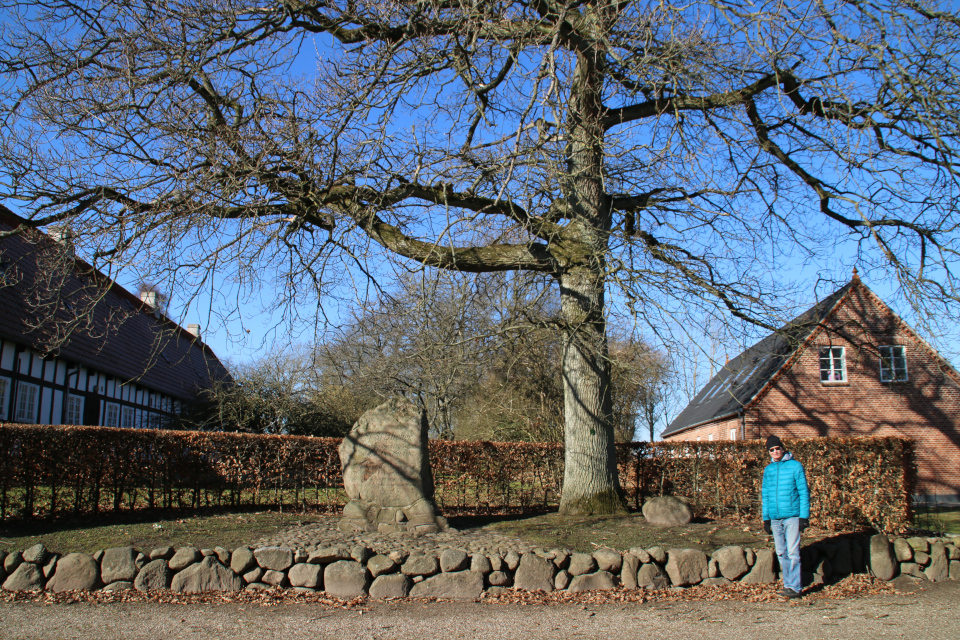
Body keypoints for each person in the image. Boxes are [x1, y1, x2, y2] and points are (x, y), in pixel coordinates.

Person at [761, 434, 810, 598]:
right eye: (771, 450)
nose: (775, 451)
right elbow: (766, 495)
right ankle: (788, 584)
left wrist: (804, 516)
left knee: (793, 552)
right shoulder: (768, 470)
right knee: (781, 552)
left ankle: (795, 587)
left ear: (782, 448)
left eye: (777, 448)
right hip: (775, 518)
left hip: (792, 516)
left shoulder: (796, 466)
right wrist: (766, 518)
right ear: (769, 452)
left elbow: (803, 492)